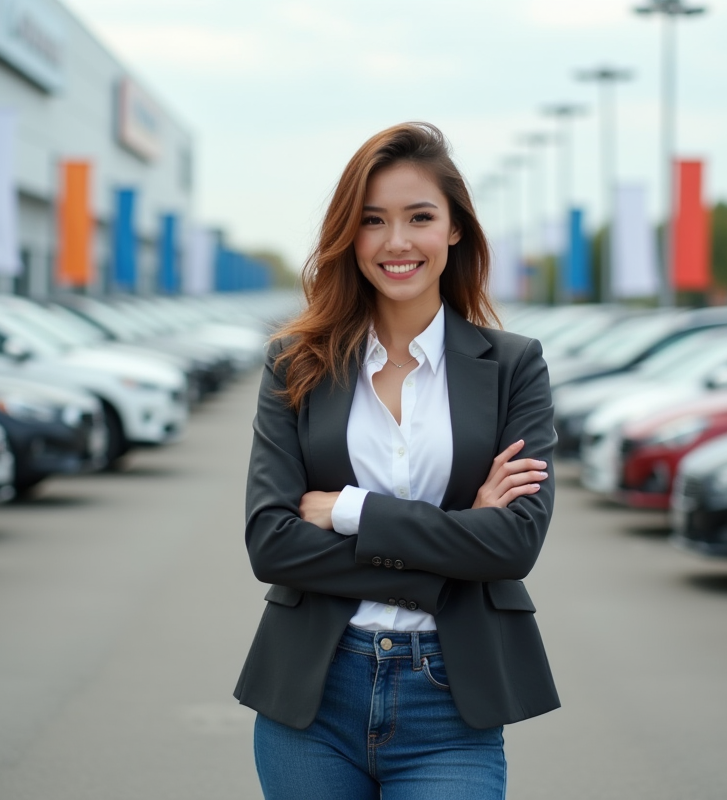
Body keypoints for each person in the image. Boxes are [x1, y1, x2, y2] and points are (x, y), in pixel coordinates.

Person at [236, 122, 559, 799]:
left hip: (450, 702)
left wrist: (351, 509)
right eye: (373, 220)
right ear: (349, 236)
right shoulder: (296, 364)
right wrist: (450, 551)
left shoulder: (512, 368)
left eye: (420, 217)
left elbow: (513, 544)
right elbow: (272, 543)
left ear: (454, 230)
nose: (397, 242)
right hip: (312, 698)